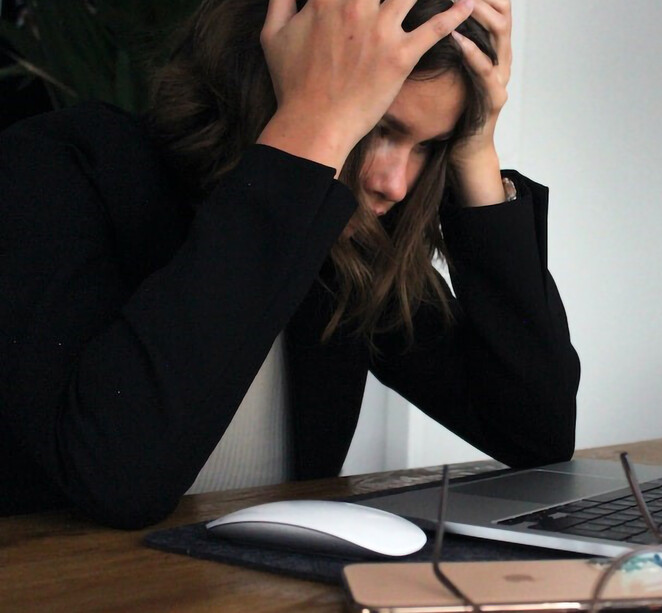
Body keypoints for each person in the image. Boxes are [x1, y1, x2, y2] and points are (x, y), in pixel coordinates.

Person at [0, 0, 579, 529]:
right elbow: (115, 480)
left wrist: (476, 150)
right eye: (376, 126)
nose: (394, 183)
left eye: (430, 145)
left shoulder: (344, 246)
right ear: (273, 70)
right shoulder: (60, 168)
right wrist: (310, 134)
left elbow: (535, 433)